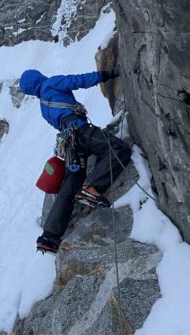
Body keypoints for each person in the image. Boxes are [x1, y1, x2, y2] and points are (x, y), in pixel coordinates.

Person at [19, 67, 132, 254]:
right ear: (38, 76)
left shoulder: (43, 107)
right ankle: (92, 188)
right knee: (118, 150)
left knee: (71, 184)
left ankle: (50, 236)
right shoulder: (51, 83)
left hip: (70, 143)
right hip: (81, 132)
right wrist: (106, 74)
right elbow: (77, 80)